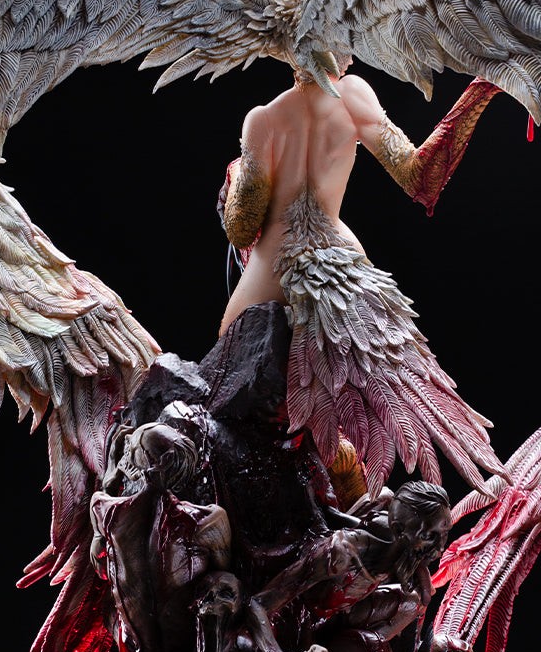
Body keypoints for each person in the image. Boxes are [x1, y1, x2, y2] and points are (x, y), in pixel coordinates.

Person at [217, 63, 508, 495]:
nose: (351, 57)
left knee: (232, 395)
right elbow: (422, 177)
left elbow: (242, 229)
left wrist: (239, 172)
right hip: (345, 274)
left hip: (271, 277)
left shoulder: (262, 119)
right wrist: (479, 91)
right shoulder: (352, 95)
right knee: (340, 419)